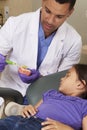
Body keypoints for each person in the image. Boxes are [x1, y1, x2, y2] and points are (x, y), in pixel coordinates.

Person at [0, 0, 82, 103]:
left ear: (70, 12)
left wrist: (40, 78)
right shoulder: (15, 24)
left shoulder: (73, 41)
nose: (50, 21)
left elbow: (64, 81)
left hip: (44, 100)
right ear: (43, 2)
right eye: (47, 11)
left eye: (59, 16)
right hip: (10, 92)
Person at [0, 64, 87, 130]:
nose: (61, 78)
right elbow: (34, 110)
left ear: (80, 84)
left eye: (67, 76)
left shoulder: (84, 105)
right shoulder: (51, 94)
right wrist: (28, 109)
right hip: (20, 120)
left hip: (45, 126)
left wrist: (66, 129)